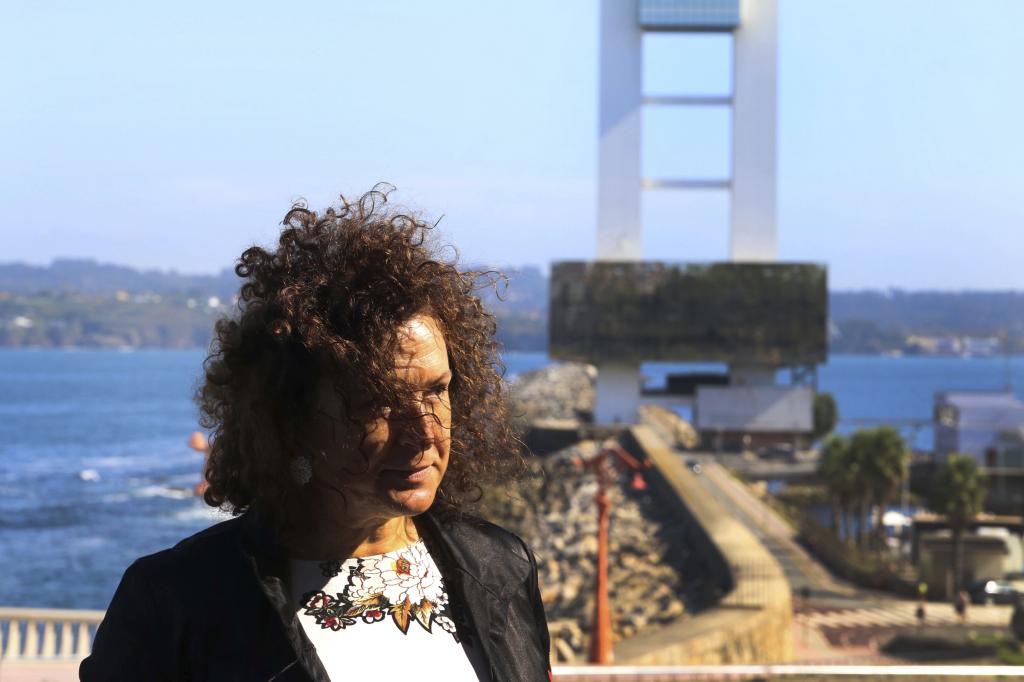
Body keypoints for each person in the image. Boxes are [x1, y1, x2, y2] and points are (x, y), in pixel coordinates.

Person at [80, 185, 551, 681]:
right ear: (291, 417)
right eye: (378, 402)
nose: (423, 432)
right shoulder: (176, 602)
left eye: (436, 391)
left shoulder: (501, 565)